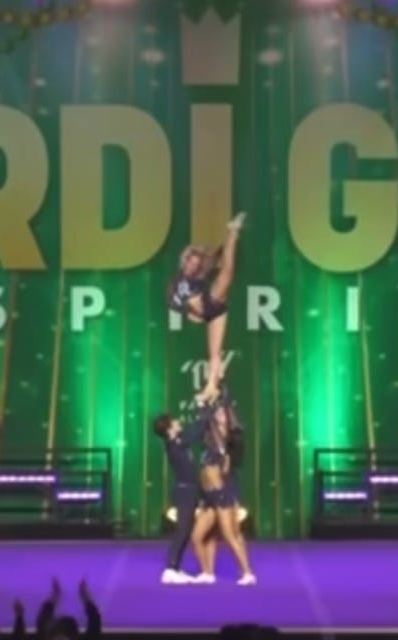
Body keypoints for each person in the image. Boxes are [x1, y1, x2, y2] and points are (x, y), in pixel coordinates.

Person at [168, 213, 246, 404]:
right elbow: (177, 303)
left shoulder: (200, 275)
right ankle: (211, 388)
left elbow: (215, 259)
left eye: (196, 263)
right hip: (201, 311)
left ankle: (233, 231)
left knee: (226, 275)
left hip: (213, 305)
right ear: (184, 261)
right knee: (215, 353)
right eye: (190, 262)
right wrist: (190, 307)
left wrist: (226, 243)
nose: (193, 265)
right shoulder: (178, 284)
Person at [191, 400, 255, 585]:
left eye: (222, 412)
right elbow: (206, 420)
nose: (218, 414)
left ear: (228, 418)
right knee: (199, 536)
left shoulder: (226, 441)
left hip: (221, 495)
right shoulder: (211, 437)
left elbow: (226, 469)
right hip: (208, 497)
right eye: (217, 412)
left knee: (230, 535)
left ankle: (247, 573)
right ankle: (208, 573)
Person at [153, 401, 212, 584]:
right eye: (175, 421)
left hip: (191, 490)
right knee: (182, 530)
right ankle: (170, 568)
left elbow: (196, 430)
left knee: (185, 531)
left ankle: (176, 568)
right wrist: (204, 407)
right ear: (169, 429)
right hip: (185, 491)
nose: (179, 421)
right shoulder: (175, 443)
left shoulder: (179, 440)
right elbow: (198, 430)